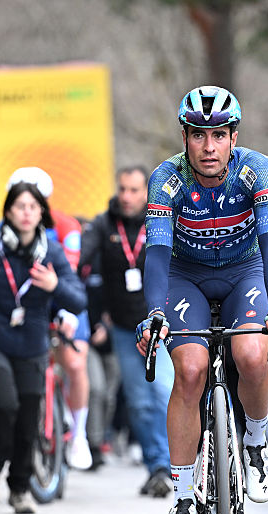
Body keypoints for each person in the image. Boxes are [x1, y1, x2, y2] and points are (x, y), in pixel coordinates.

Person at [136, 85, 268, 514]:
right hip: (183, 275)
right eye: (199, 136)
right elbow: (157, 254)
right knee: (190, 369)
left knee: (251, 353)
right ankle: (184, 496)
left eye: (220, 135)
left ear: (234, 137)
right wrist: (153, 313)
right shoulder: (167, 179)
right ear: (185, 137)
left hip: (243, 270)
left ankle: (255, 443)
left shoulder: (256, 170)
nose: (209, 147)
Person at [0, 182, 86, 513]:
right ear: (8, 210)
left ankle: (20, 488)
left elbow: (78, 299)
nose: (26, 213)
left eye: (33, 207)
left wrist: (55, 286)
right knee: (6, 401)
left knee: (28, 417)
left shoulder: (51, 254)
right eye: (20, 206)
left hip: (34, 343)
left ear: (42, 213)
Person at [81, 166, 175, 497]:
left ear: (146, 192)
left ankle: (173, 465)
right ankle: (156, 468)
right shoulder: (105, 223)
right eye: (123, 189)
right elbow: (81, 256)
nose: (127, 196)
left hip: (162, 325)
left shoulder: (162, 218)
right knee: (138, 403)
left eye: (135, 190)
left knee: (164, 392)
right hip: (124, 329)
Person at [5, 167, 95, 470]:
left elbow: (70, 273)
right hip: (28, 308)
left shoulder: (66, 226)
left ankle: (79, 432)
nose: (28, 209)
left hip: (62, 298)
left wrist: (67, 312)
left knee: (74, 362)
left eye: (36, 201)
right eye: (21, 202)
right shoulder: (2, 232)